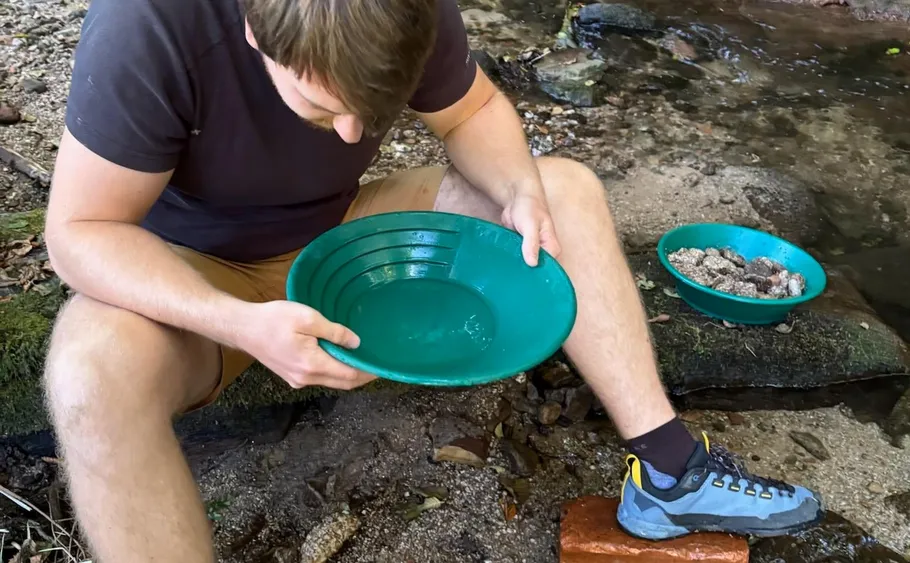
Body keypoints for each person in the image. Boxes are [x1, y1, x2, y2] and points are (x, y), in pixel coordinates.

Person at [41, 0, 824, 560]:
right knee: (87, 372)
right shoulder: (149, 25)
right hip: (201, 271)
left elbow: (471, 111)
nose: (352, 132)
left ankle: (668, 472)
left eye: (370, 111)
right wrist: (237, 320)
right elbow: (78, 234)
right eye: (322, 106)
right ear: (254, 30)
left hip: (347, 230)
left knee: (567, 191)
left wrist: (518, 188)